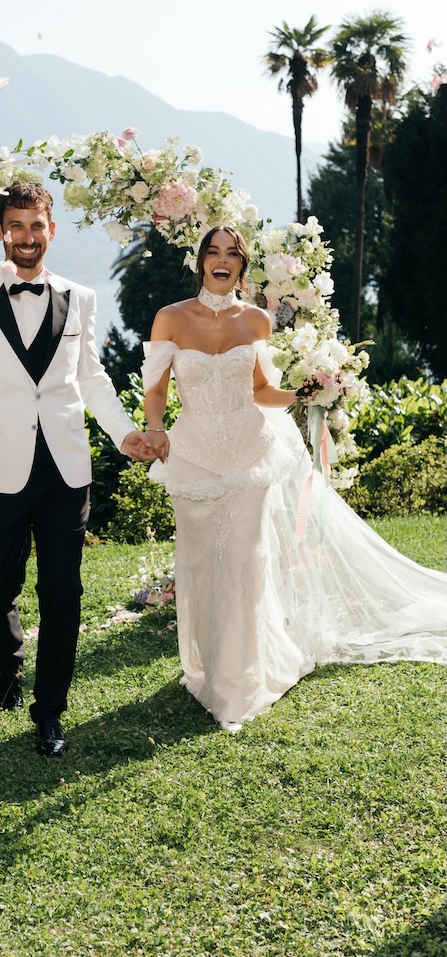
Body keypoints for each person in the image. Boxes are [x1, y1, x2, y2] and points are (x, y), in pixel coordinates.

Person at [142, 225, 446, 733]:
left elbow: (263, 390)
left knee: (244, 561)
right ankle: (207, 670)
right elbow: (155, 390)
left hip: (251, 455)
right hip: (192, 455)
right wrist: (155, 430)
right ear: (201, 262)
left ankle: (236, 688)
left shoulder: (258, 321)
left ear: (242, 265)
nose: (222, 260)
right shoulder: (170, 318)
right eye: (213, 252)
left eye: (232, 253)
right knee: (199, 564)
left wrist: (312, 393)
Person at [0, 181, 155, 756]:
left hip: (63, 468)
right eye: (16, 225)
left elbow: (91, 377)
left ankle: (50, 711)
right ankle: (8, 660)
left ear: (52, 230)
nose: (27, 237)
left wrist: (123, 430)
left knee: (63, 591)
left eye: (37, 226)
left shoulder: (80, 297)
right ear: (0, 230)